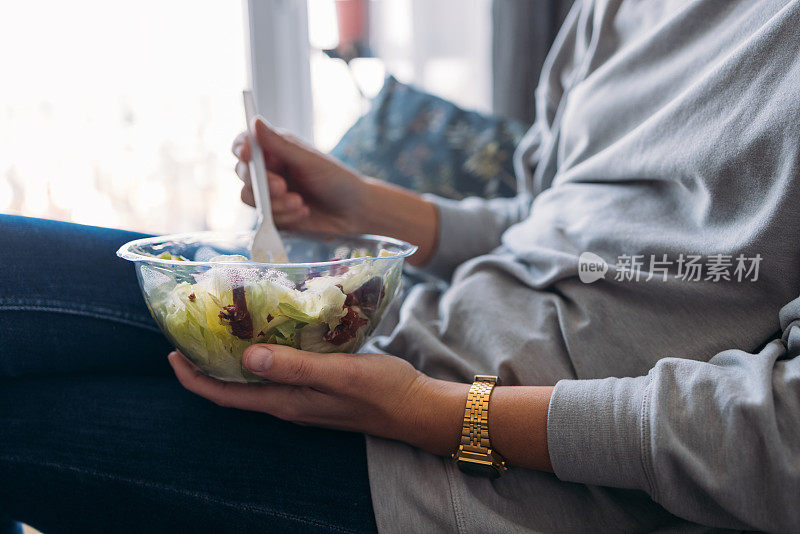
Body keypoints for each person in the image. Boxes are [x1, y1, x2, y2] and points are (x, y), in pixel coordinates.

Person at [2, 0, 800, 532]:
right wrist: (358, 206)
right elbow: (557, 221)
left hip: (477, 477)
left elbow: (781, 434)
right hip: (407, 345)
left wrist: (434, 413)